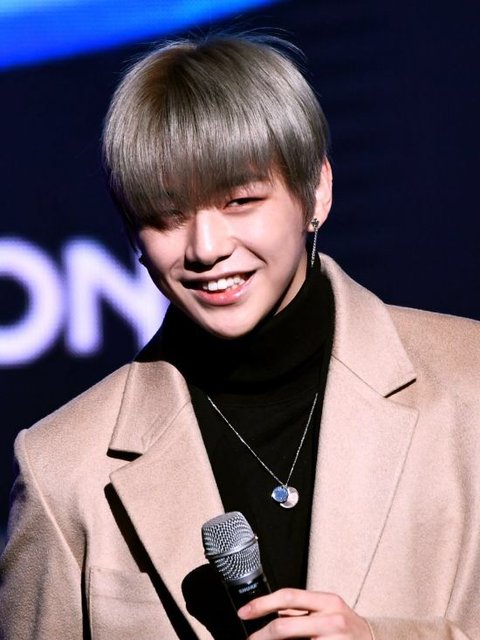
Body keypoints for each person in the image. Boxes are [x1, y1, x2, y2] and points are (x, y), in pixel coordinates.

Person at [1, 32, 479, 640]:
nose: (206, 248)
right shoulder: (64, 468)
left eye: (240, 200)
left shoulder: (469, 386)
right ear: (131, 233)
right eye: (167, 215)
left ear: (317, 191)